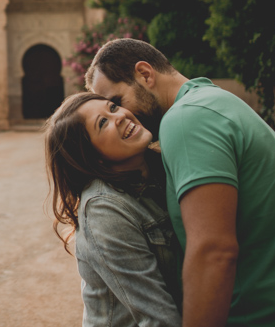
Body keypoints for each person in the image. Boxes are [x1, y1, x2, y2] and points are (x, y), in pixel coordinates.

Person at [86, 38, 275, 327]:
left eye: (117, 102)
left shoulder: (186, 118)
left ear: (145, 74)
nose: (124, 115)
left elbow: (213, 251)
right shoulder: (212, 101)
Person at [45, 91, 182, 327]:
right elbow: (158, 318)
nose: (119, 116)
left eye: (113, 107)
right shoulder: (104, 210)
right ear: (91, 157)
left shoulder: (161, 172)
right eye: (102, 123)